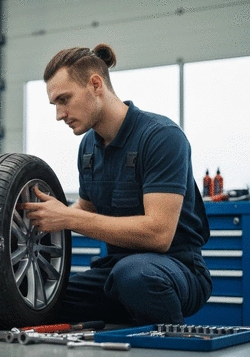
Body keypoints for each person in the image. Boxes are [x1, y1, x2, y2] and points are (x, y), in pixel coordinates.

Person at [21, 43, 212, 326]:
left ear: (95, 84)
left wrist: (69, 217)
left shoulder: (161, 137)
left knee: (134, 275)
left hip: (177, 268)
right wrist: (40, 222)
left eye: (64, 99)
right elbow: (86, 207)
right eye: (55, 105)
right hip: (116, 272)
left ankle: (171, 343)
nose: (59, 114)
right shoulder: (88, 147)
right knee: (39, 301)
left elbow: (159, 234)